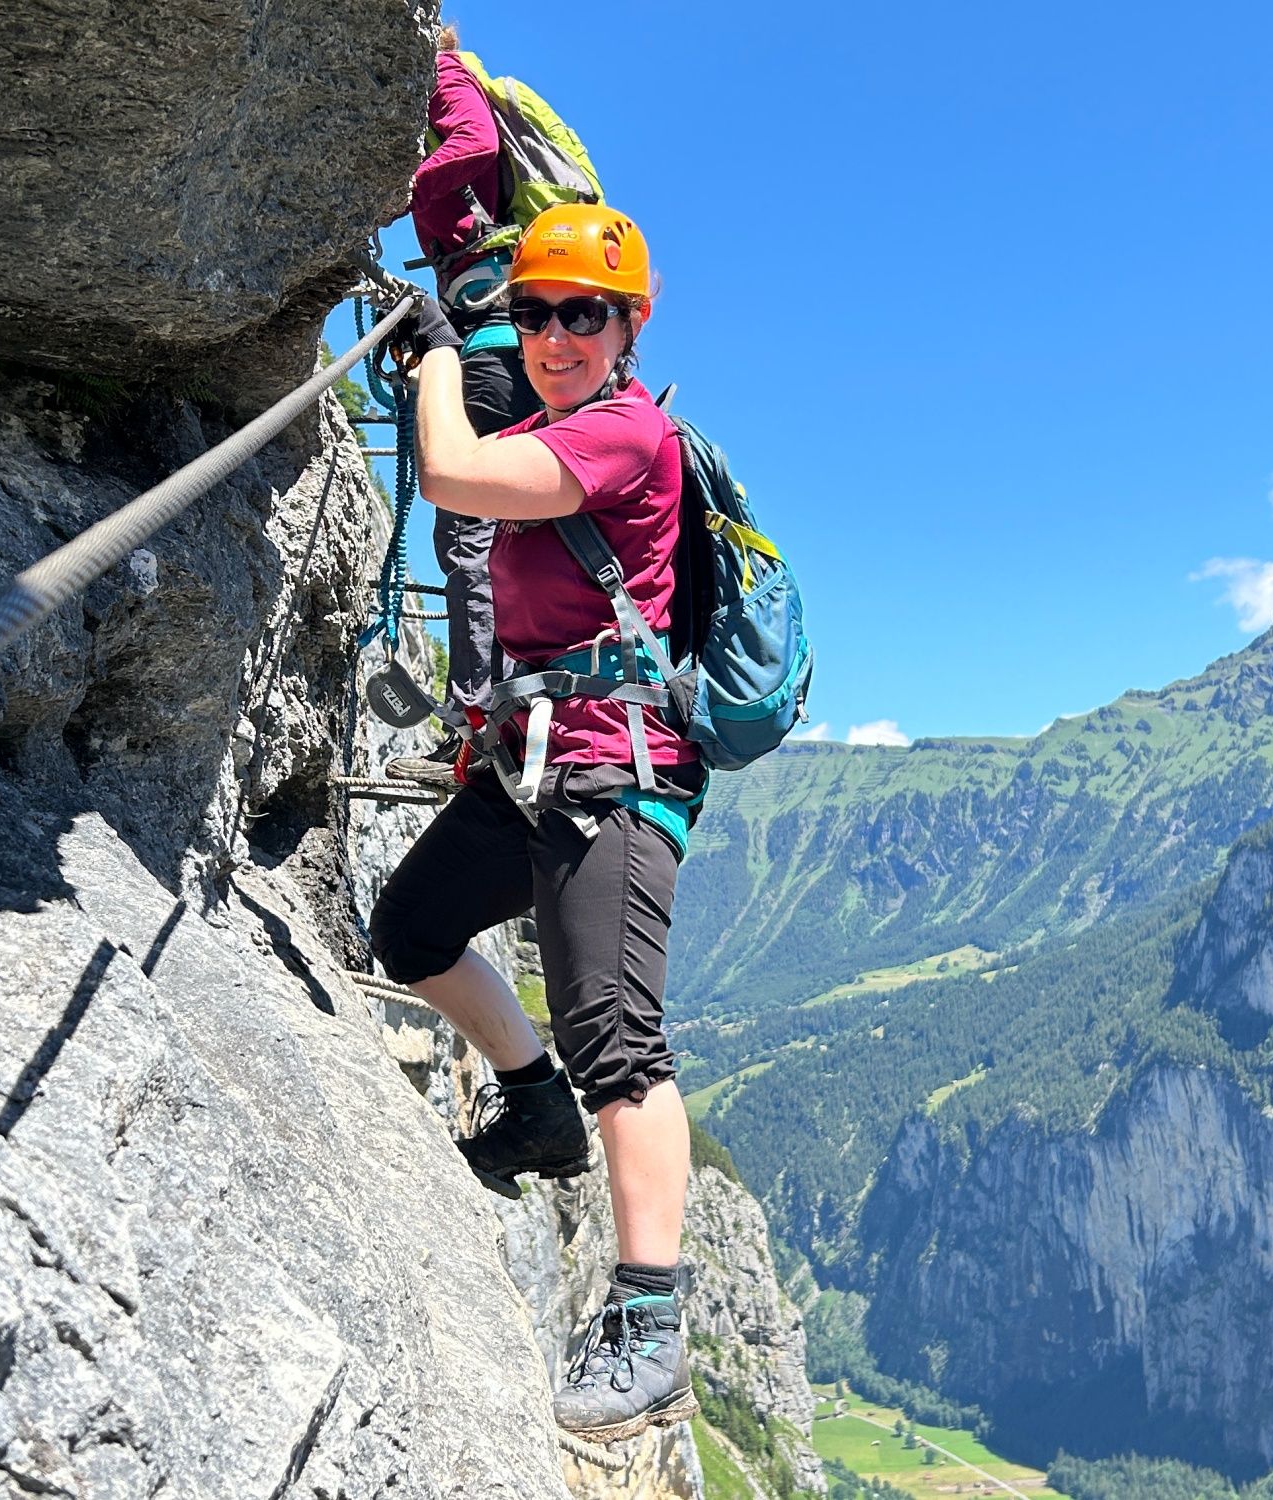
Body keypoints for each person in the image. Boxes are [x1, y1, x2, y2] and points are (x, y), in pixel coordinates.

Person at [370, 203, 703, 1443]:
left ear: (626, 327)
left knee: (616, 1035)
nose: (555, 335)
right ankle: (532, 1103)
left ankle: (651, 1325)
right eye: (535, 311)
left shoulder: (623, 433)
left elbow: (453, 472)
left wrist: (442, 355)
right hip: (526, 762)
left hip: (612, 777)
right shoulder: (559, 427)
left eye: (582, 313)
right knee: (408, 928)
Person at [385, 23, 543, 787]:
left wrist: (403, 190)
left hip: (488, 349)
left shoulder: (443, 77)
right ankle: (503, 723)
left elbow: (473, 146)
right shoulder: (460, 79)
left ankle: (473, 729)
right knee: (503, 537)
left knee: (468, 540)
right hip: (516, 348)